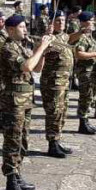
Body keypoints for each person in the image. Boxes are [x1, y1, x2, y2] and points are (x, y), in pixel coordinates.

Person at [0, 14, 52, 190]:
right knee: (13, 139)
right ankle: (11, 181)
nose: (25, 29)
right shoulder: (8, 49)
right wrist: (41, 49)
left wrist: (42, 52)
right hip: (14, 100)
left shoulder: (21, 46)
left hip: (25, 99)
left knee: (23, 139)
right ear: (11, 29)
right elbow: (27, 67)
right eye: (22, 27)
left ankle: (18, 174)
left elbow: (37, 68)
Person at [40, 11, 77, 159]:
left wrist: (81, 31)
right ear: (52, 23)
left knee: (62, 112)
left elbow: (71, 38)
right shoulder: (48, 38)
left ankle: (58, 139)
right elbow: (40, 49)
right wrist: (47, 35)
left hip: (64, 82)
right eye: (58, 21)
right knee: (54, 113)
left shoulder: (64, 36)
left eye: (63, 20)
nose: (61, 23)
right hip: (53, 83)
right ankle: (52, 143)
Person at [73, 12, 96, 134]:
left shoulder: (89, 35)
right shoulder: (82, 36)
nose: (93, 22)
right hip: (84, 71)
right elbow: (79, 54)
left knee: (89, 96)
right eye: (90, 20)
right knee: (85, 97)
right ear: (83, 22)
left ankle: (86, 121)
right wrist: (95, 54)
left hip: (91, 70)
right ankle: (82, 123)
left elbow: (92, 50)